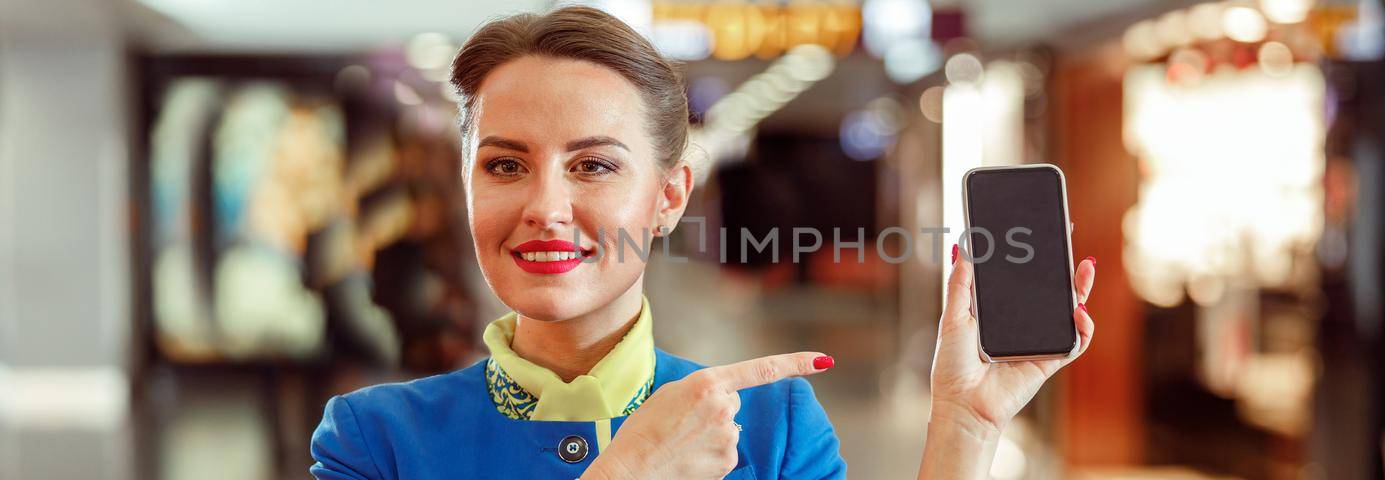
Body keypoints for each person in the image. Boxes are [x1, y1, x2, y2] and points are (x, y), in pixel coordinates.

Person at [309, 6, 1098, 479]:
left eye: (593, 165)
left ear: (668, 196)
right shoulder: (373, 441)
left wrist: (966, 426)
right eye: (506, 164)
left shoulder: (772, 423)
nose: (546, 207)